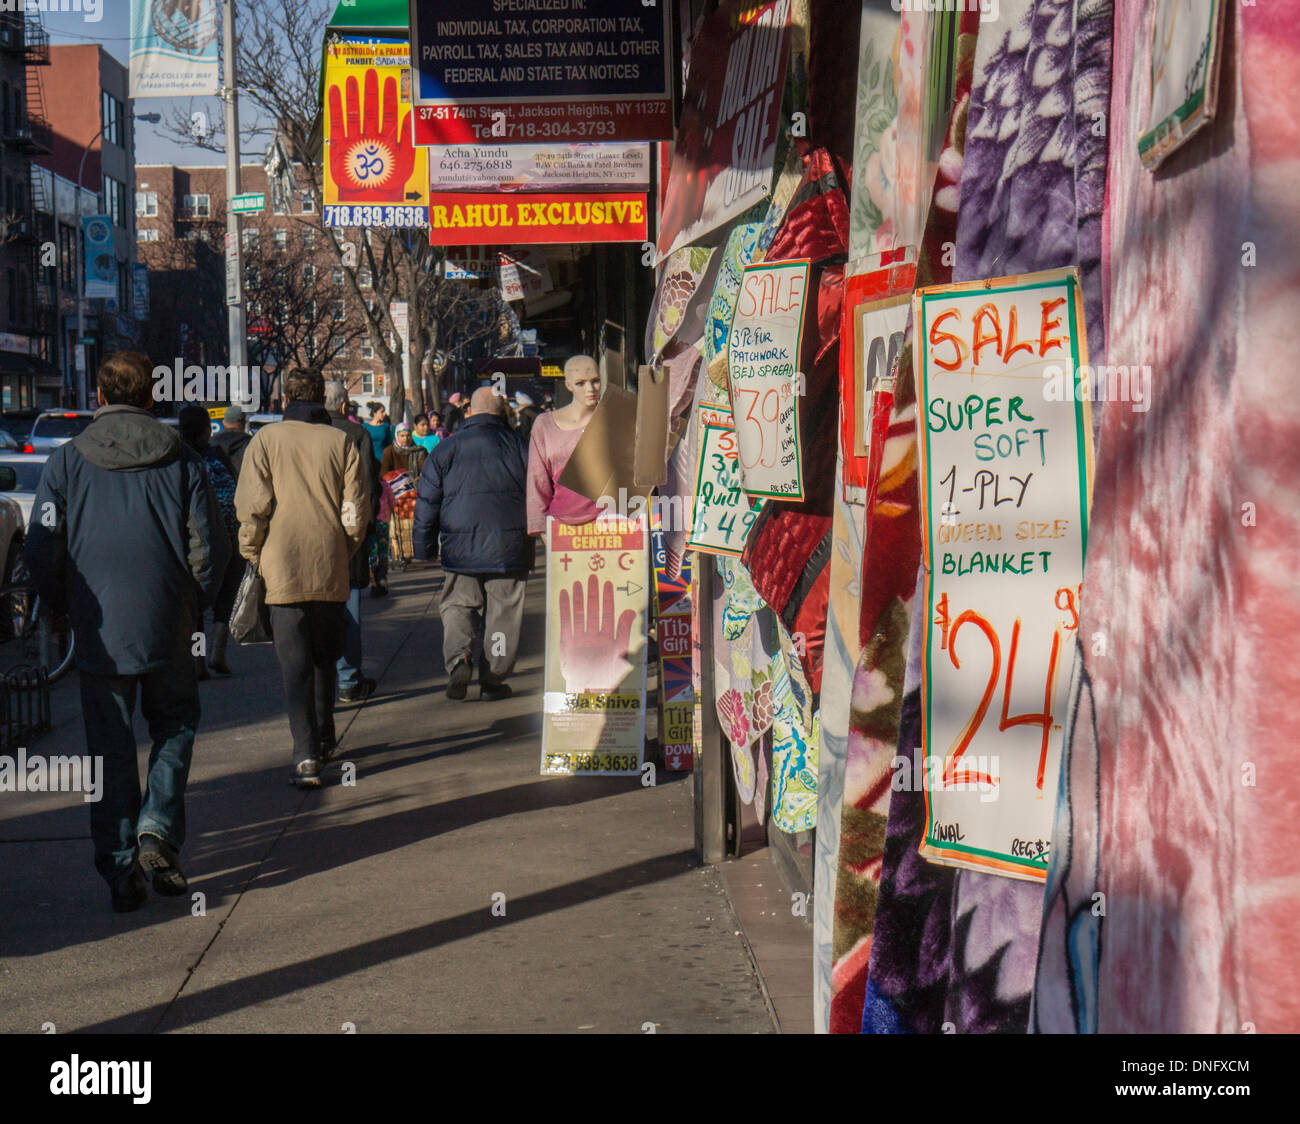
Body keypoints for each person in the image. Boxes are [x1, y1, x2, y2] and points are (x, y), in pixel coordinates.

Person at [25, 351, 229, 912]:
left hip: (100, 632)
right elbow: (210, 547)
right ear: (150, 399)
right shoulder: (182, 461)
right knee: (175, 727)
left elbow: (43, 545)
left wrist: (61, 604)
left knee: (109, 752)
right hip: (168, 623)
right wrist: (196, 603)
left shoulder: (66, 463)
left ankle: (119, 867)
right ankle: (157, 828)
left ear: (98, 396)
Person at [236, 368, 369, 788]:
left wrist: (253, 550)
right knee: (325, 657)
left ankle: (305, 753)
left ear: (284, 399)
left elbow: (253, 507)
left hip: (282, 564)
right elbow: (355, 510)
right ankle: (326, 734)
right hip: (329, 561)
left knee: (293, 663)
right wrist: (343, 548)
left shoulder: (265, 441)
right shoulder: (342, 441)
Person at [413, 386, 531, 701]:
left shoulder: (446, 449)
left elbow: (426, 502)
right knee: (503, 613)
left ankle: (458, 660)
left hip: (459, 547)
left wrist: (423, 548)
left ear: (469, 412)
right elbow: (539, 493)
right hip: (509, 548)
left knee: (457, 605)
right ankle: (493, 677)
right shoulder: (520, 446)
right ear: (502, 412)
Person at [324, 380, 378, 703]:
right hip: (348, 534)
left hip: (311, 535)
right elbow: (367, 489)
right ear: (345, 406)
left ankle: (324, 678)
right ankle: (347, 678)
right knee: (349, 608)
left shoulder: (305, 434)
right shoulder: (357, 435)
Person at [178, 405, 240, 680]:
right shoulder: (217, 459)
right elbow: (232, 498)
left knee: (195, 609)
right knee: (225, 597)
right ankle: (218, 650)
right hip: (224, 541)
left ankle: (197, 660)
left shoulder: (177, 462)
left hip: (189, 544)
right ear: (207, 430)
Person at [527, 354, 606, 536]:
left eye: (595, 381)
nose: (590, 389)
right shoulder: (545, 424)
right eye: (580, 383)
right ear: (569, 385)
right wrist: (539, 526)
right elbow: (537, 479)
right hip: (562, 525)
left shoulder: (613, 419)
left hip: (610, 522)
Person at [381, 423, 426, 568]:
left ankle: (415, 552)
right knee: (397, 527)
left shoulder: (419, 451)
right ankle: (399, 553)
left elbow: (425, 470)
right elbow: (383, 473)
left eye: (408, 435)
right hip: (395, 493)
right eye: (402, 435)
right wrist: (398, 481)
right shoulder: (389, 451)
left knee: (413, 524)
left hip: (414, 492)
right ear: (396, 436)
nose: (405, 438)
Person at [211, 404, 252, 476]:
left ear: (223, 423)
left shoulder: (212, 443)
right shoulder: (251, 442)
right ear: (244, 423)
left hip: (219, 486)